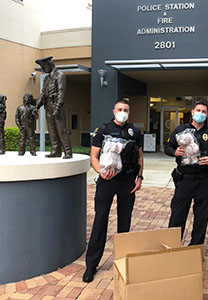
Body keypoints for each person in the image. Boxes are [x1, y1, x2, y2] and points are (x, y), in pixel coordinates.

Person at [83, 99, 144, 283]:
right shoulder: (103, 130)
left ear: (129, 112)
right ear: (114, 111)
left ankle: (122, 261)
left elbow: (140, 156)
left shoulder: (135, 132)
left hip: (127, 180)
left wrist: (140, 177)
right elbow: (94, 156)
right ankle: (91, 265)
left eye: (126, 109)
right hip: (107, 181)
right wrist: (101, 172)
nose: (123, 112)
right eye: (120, 109)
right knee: (100, 220)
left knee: (124, 223)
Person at [165, 101, 208, 245]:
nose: (201, 113)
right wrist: (175, 152)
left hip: (204, 181)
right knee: (177, 214)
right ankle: (172, 246)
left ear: (207, 114)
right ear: (192, 112)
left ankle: (195, 248)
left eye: (204, 111)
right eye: (198, 110)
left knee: (201, 217)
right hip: (184, 180)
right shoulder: (181, 130)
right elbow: (168, 147)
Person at [35, 56, 72, 159]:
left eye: (44, 67)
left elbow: (61, 93)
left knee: (61, 130)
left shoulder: (60, 76)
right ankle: (56, 151)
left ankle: (68, 152)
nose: (43, 69)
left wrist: (57, 108)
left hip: (56, 106)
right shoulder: (47, 78)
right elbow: (43, 94)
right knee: (52, 131)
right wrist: (37, 106)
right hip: (48, 106)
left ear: (49, 65)